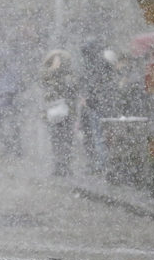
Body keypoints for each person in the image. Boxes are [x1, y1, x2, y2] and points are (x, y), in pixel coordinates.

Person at [79, 40, 118, 174]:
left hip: (97, 106)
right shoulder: (106, 66)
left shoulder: (93, 66)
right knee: (104, 136)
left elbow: (94, 86)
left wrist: (88, 98)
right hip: (106, 105)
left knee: (99, 136)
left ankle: (103, 165)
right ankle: (107, 165)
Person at [40, 49, 77, 177]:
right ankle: (59, 165)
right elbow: (46, 86)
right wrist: (54, 70)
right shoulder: (47, 74)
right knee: (56, 139)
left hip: (66, 111)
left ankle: (65, 165)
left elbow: (70, 89)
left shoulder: (68, 75)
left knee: (66, 139)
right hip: (53, 111)